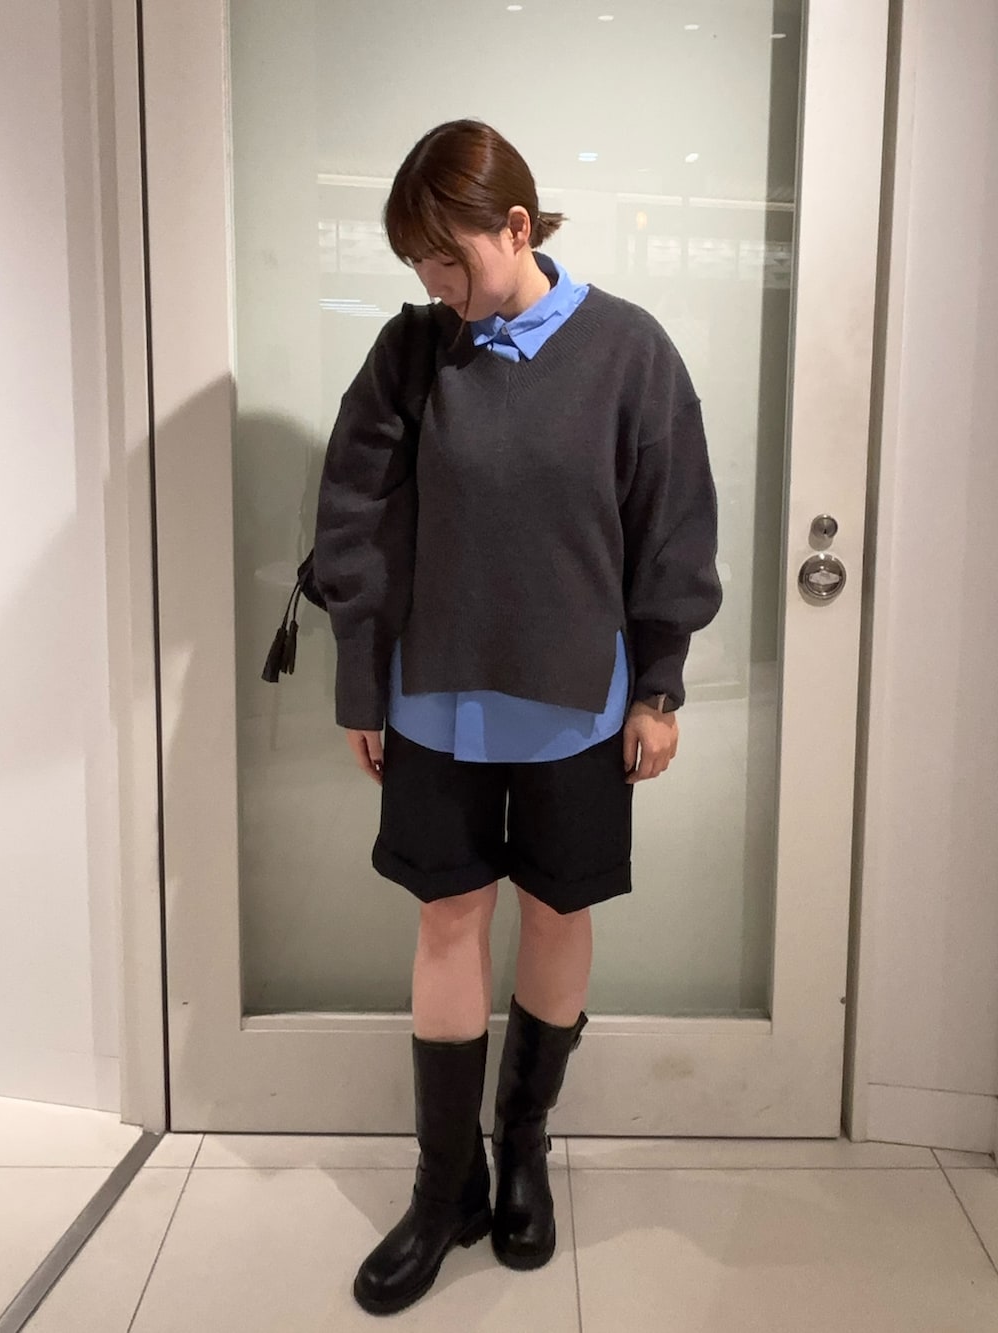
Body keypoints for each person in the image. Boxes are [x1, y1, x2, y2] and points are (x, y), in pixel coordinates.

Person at [313, 118, 722, 1317]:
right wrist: (359, 682)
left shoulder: (629, 351)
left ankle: (525, 1147)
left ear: (517, 226)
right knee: (448, 918)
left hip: (578, 705)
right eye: (417, 265)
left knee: (555, 911)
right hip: (432, 698)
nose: (436, 285)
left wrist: (659, 685)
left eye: (451, 260)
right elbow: (352, 519)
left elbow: (671, 525)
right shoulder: (410, 353)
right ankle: (446, 1187)